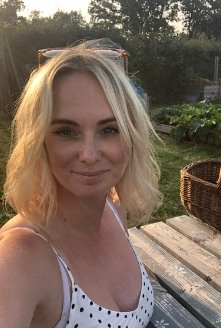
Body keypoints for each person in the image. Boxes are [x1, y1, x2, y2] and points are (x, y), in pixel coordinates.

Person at [0, 45, 161, 327]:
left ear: (132, 136)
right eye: (66, 132)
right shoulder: (19, 260)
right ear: (39, 141)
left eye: (109, 130)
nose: (88, 154)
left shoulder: (114, 207)